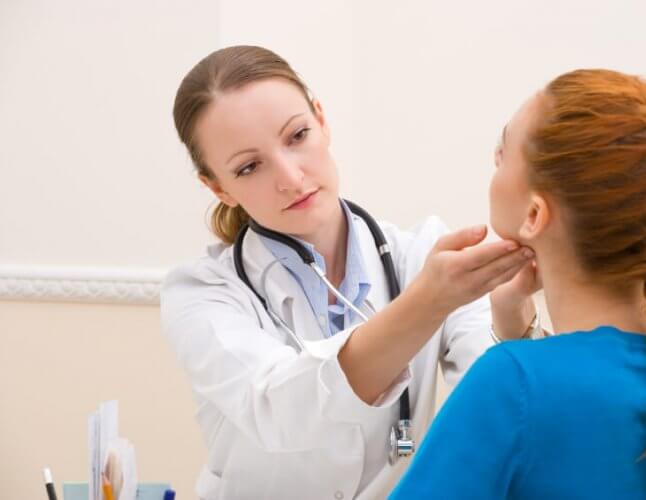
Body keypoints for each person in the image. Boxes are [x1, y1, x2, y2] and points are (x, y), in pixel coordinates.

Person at [161, 45, 542, 500]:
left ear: (321, 120)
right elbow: (279, 409)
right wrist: (426, 302)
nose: (290, 176)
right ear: (218, 187)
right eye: (249, 166)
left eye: (297, 135)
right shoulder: (203, 294)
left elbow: (503, 404)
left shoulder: (420, 256)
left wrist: (510, 308)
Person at [391, 69, 646, 500]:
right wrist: (517, 327)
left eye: (502, 154)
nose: (494, 165)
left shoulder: (510, 386)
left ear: (534, 216)